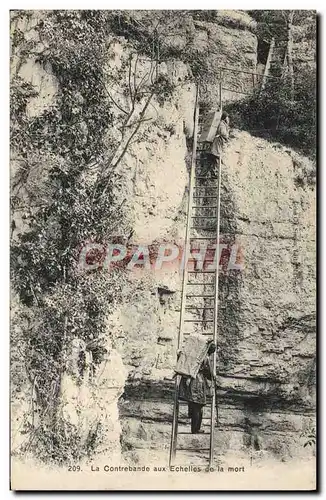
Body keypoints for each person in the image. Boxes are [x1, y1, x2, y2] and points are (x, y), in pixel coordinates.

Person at [178, 340, 216, 434]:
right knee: (198, 407)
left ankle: (194, 426)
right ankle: (195, 429)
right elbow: (208, 373)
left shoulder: (196, 355)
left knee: (193, 404)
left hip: (191, 383)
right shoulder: (205, 358)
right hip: (198, 383)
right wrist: (213, 375)